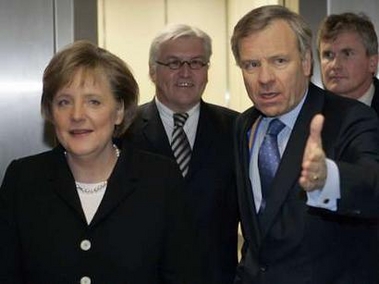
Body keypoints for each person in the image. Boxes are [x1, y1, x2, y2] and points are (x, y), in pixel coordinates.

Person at [0, 40, 196, 284]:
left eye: (93, 101)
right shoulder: (24, 179)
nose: (77, 115)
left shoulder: (160, 179)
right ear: (51, 112)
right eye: (64, 102)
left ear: (119, 111)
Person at [231, 5, 379, 284]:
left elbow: (373, 185)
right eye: (251, 65)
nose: (264, 79)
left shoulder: (350, 117)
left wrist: (329, 178)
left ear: (307, 63)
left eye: (279, 61)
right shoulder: (244, 125)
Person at [125, 23, 239, 284]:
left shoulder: (237, 129)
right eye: (174, 63)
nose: (185, 72)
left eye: (197, 62)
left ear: (207, 71)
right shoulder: (123, 131)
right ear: (153, 71)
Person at [317, 12, 379, 114]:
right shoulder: (308, 113)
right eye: (328, 55)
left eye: (347, 54)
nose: (335, 65)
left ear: (372, 63)